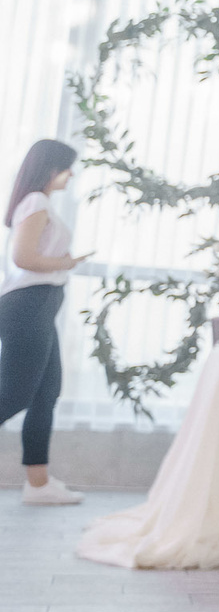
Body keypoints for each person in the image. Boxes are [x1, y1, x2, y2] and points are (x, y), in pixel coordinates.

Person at [3, 140, 89, 505]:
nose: (72, 175)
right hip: (29, 306)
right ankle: (38, 485)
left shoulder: (37, 203)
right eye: (68, 168)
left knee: (45, 393)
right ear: (51, 169)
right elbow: (23, 257)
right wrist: (66, 263)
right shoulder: (37, 202)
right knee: (15, 394)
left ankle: (38, 485)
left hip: (39, 306)